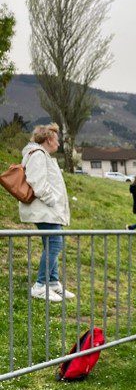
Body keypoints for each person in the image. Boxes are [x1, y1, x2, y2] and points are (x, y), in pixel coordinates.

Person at [19, 123, 74, 302]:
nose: (58, 144)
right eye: (56, 140)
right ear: (49, 139)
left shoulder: (43, 156)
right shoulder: (38, 155)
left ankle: (52, 282)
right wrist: (53, 202)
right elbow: (37, 182)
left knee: (51, 245)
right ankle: (40, 285)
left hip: (48, 211)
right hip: (46, 210)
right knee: (55, 244)